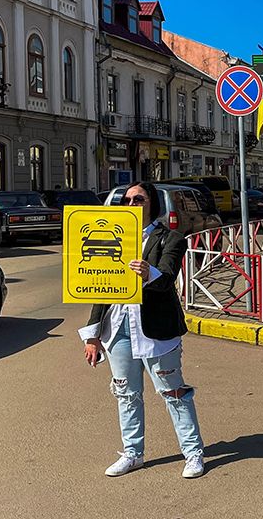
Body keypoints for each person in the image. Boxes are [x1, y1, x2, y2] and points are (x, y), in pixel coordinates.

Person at [80, 181, 205, 479]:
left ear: (153, 204)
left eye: (139, 199)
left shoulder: (170, 238)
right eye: (126, 200)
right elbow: (101, 287)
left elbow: (167, 278)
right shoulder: (114, 238)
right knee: (126, 394)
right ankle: (133, 453)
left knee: (174, 392)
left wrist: (151, 273)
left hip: (155, 329)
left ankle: (193, 453)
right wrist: (93, 334)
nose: (132, 204)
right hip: (119, 328)